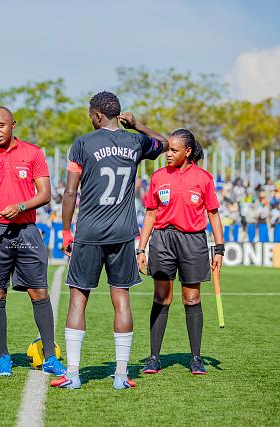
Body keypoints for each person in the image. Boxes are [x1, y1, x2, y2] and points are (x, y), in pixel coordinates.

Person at [51, 91, 167, 390]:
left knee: (79, 298)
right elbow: (165, 143)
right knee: (121, 298)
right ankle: (120, 375)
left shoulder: (83, 143)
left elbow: (70, 192)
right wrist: (137, 125)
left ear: (98, 115)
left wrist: (66, 232)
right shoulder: (135, 142)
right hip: (122, 232)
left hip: (89, 232)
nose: (90, 119)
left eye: (91, 115)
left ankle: (73, 374)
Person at [0, 106, 65, 377]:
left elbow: (44, 194)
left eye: (0, 125)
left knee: (39, 292)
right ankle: (3, 358)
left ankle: (50, 357)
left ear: (13, 125)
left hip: (26, 232)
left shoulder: (33, 153)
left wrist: (21, 206)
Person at [136, 129, 224, 375]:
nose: (168, 154)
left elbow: (213, 214)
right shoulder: (158, 177)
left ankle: (195, 358)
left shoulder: (204, 178)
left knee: (192, 299)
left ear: (188, 152)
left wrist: (219, 249)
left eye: (174, 150)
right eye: (168, 149)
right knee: (161, 297)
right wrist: (141, 249)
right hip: (163, 241)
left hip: (193, 242)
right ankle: (154, 358)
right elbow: (150, 215)